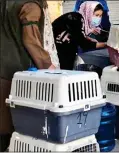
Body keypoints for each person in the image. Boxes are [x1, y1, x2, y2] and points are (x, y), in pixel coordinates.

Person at [0, 0, 59, 151]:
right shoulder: (30, 5)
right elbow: (31, 40)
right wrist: (48, 65)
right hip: (12, 73)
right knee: (12, 126)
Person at [52, 1, 107, 70]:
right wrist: (105, 45)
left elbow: (77, 35)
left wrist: (86, 38)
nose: (98, 18)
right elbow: (84, 44)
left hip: (64, 50)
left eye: (100, 16)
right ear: (88, 12)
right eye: (96, 15)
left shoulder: (78, 18)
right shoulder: (76, 19)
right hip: (59, 52)